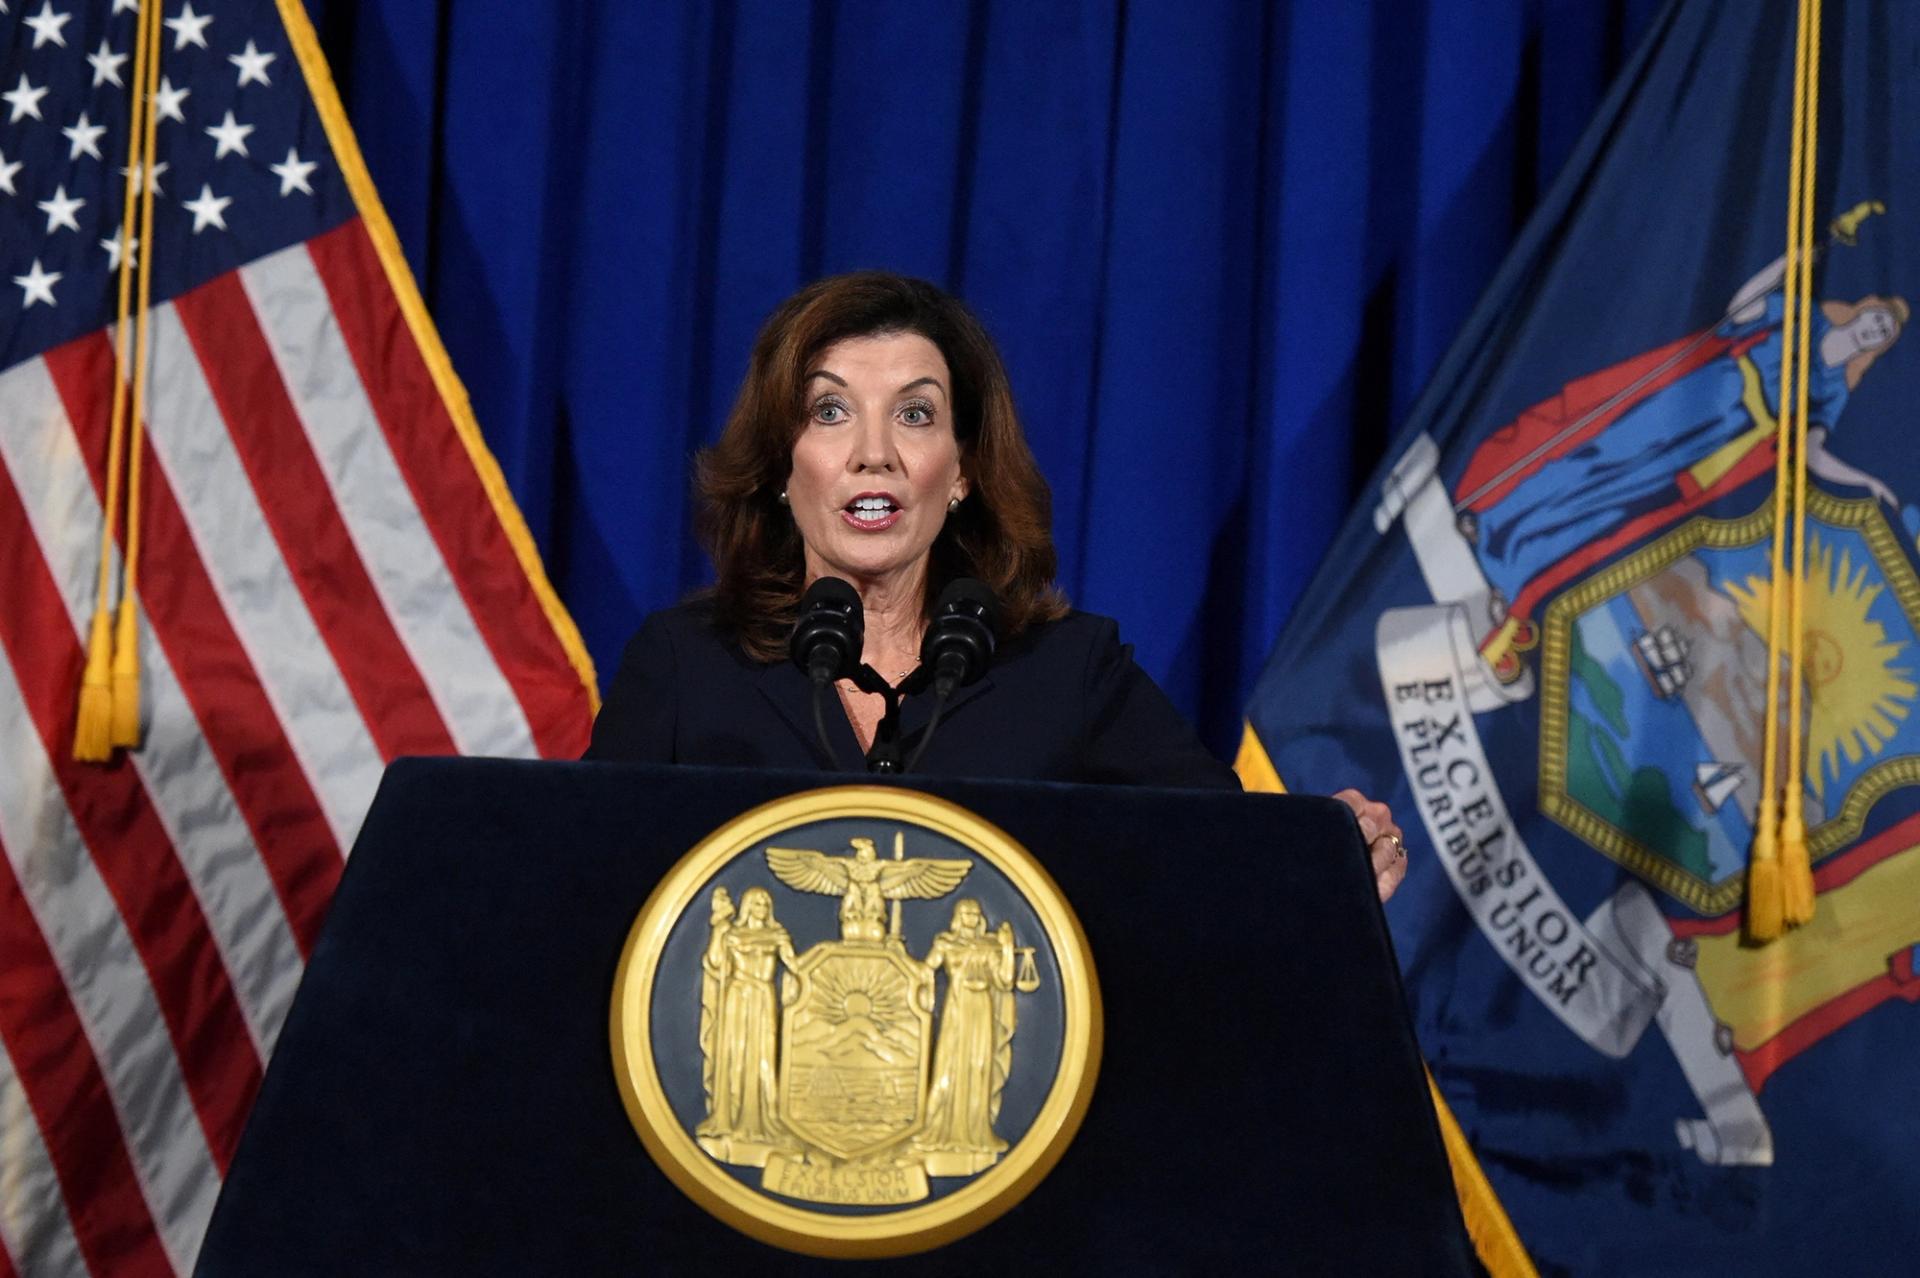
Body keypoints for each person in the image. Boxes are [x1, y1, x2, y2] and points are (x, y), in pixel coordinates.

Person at [584, 271, 1408, 901]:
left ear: (963, 472)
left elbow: (1223, 855)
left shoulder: (1069, 670)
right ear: (777, 466)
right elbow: (585, 885)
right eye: (830, 412)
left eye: (915, 415)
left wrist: (1330, 855)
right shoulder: (686, 665)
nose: (875, 453)